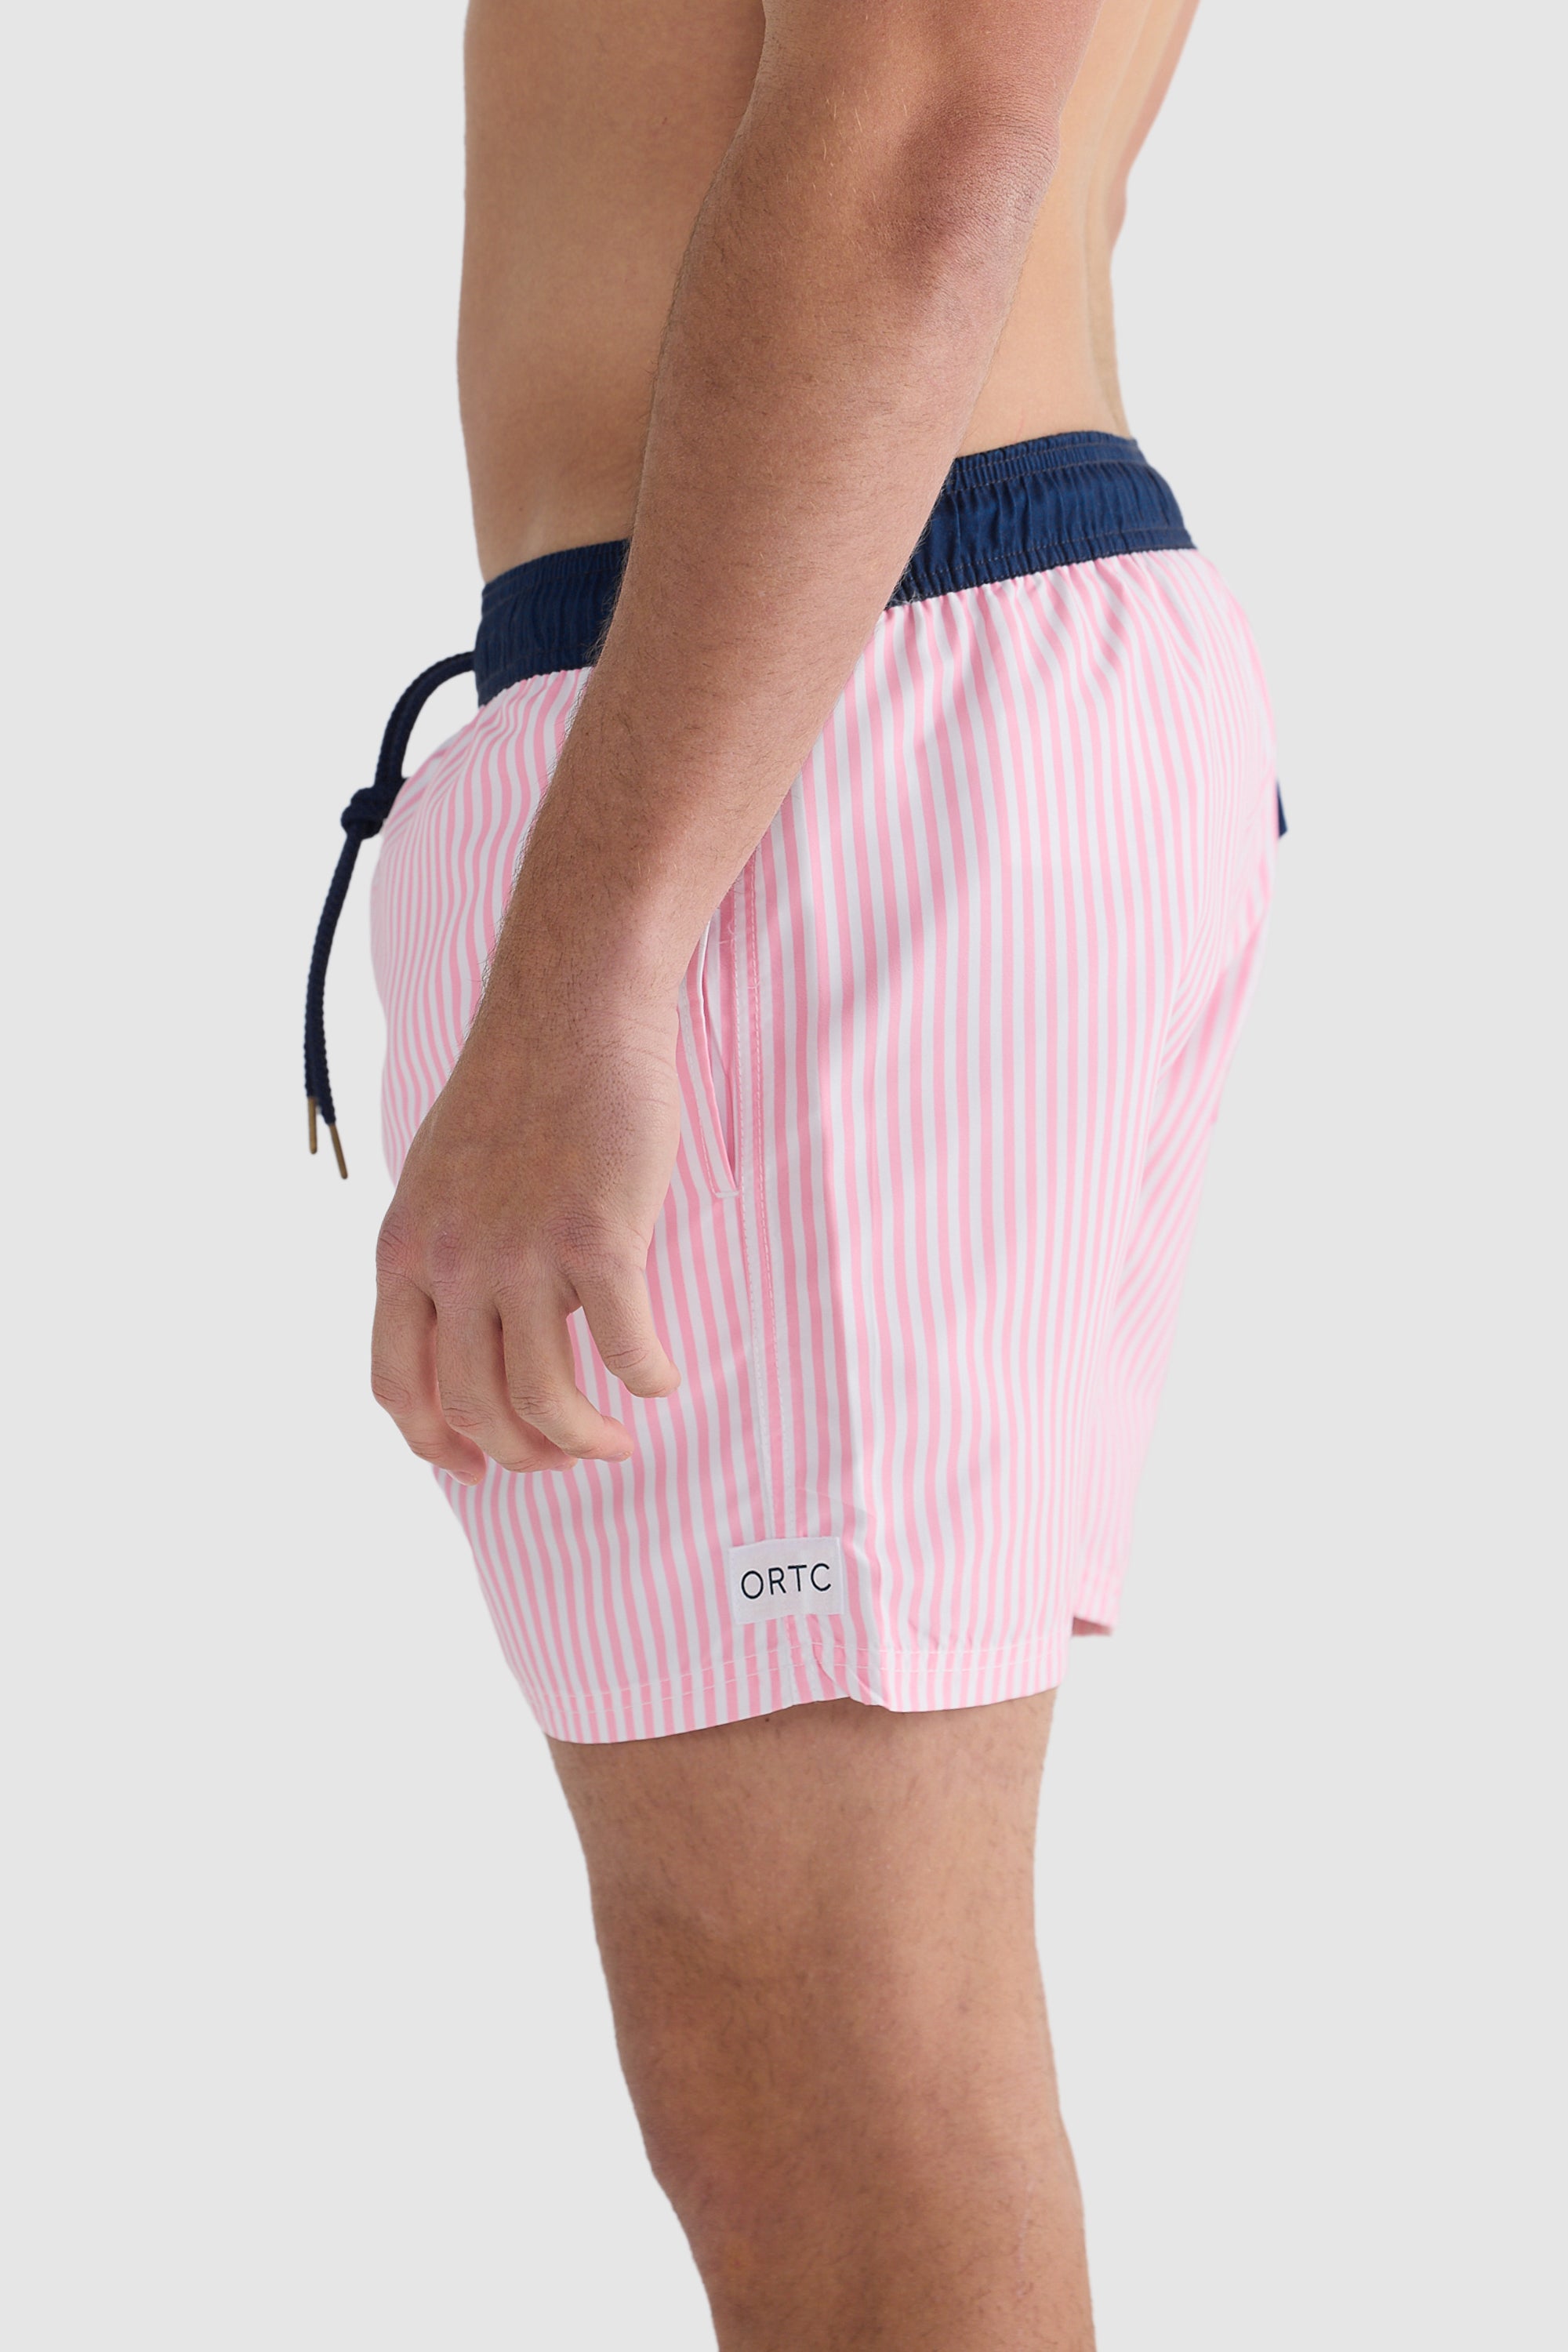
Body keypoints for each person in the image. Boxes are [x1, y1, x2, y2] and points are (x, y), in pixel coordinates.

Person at [309, 1, 1279, 2341]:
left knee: (837, 2100)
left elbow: (933, 119)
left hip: (796, 719)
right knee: (798, 2095)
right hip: (819, 675)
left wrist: (598, 951)